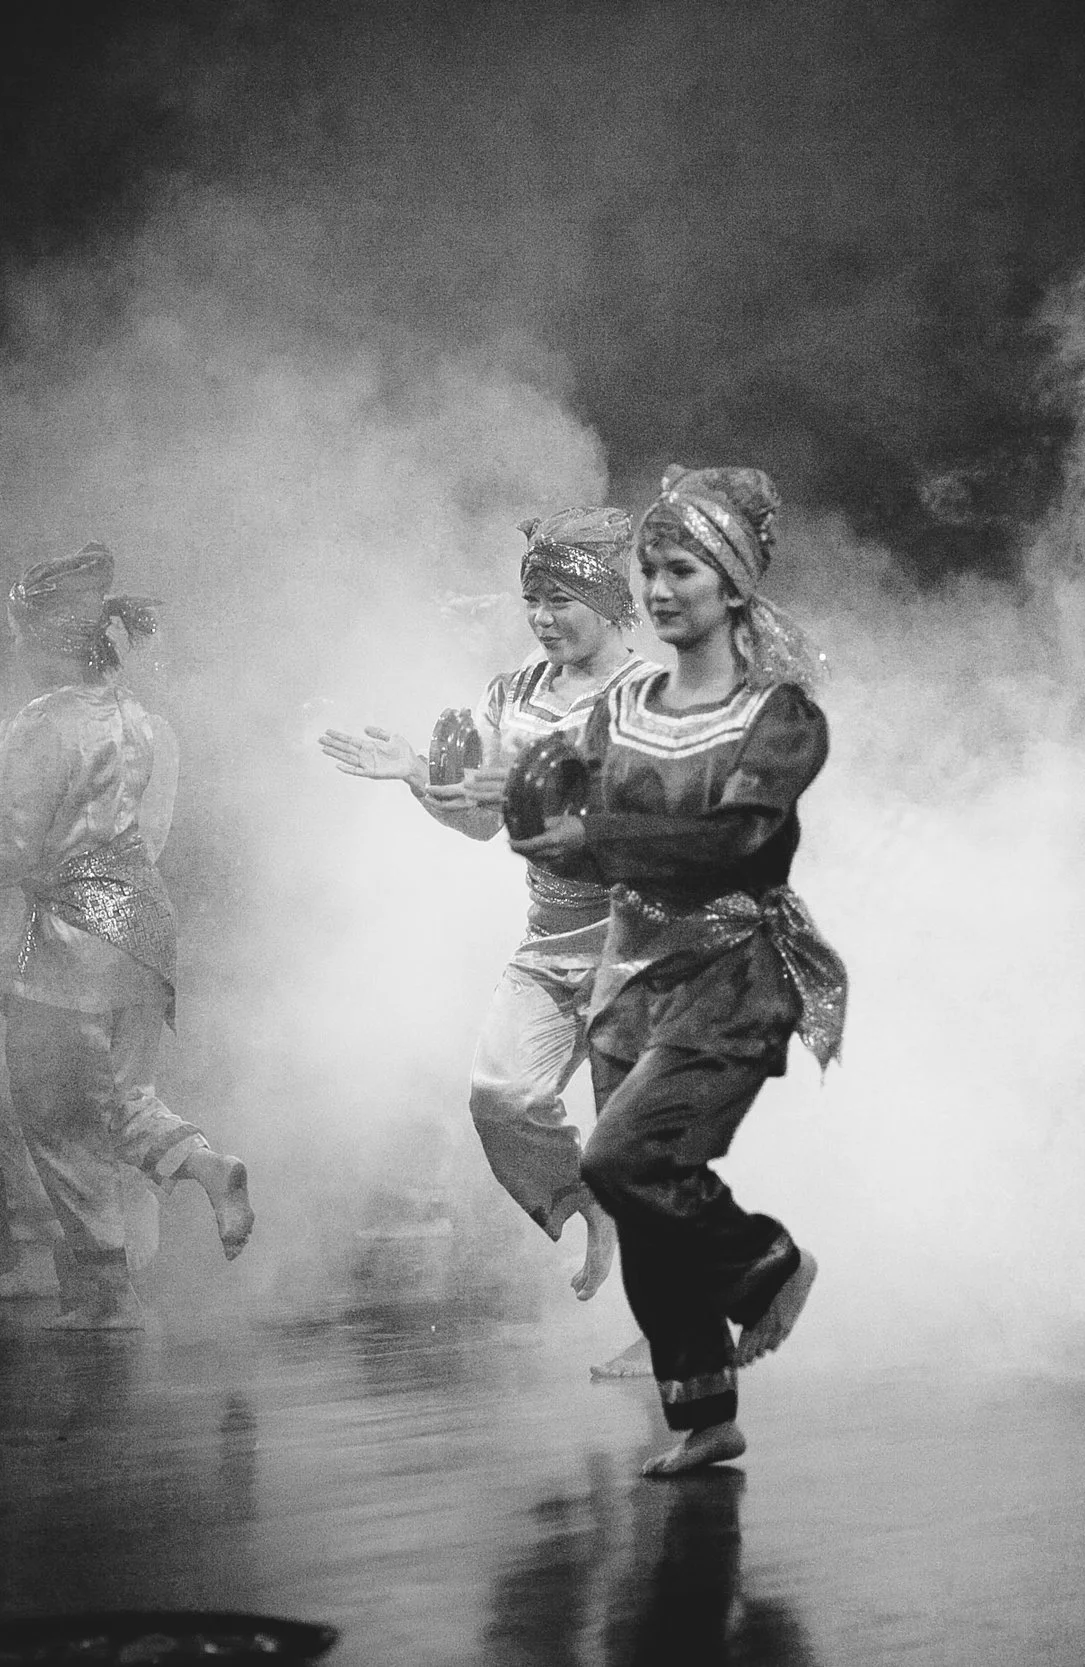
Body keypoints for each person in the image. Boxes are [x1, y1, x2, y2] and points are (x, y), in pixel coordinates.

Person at [511, 465, 845, 1475]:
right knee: (643, 1204)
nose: (657, 590)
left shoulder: (779, 715)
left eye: (681, 568)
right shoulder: (622, 710)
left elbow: (734, 840)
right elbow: (559, 825)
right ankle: (704, 1411)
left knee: (620, 1158)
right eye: (648, 570)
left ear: (734, 583)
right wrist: (494, 797)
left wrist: (595, 830)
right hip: (631, 974)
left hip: (732, 971)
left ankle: (765, 1262)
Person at [317, 510, 653, 1323]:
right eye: (533, 600)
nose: (542, 617)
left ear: (609, 601)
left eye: (561, 598)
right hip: (548, 942)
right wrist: (414, 776)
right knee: (499, 1096)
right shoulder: (511, 693)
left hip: (638, 943)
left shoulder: (648, 695)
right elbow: (479, 821)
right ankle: (582, 1198)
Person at [0, 544, 253, 1329]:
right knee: (118, 1098)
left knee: (54, 1113)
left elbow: (15, 850)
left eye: (19, 634)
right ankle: (201, 1162)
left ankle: (108, 1291)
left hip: (72, 936)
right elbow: (149, 835)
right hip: (141, 922)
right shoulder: (141, 721)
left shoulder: (45, 723)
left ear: (48, 639)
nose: (13, 649)